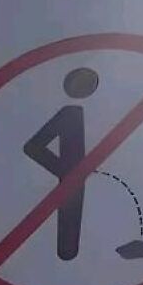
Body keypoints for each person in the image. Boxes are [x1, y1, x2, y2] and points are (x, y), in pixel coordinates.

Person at [23, 66, 99, 261]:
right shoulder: (69, 114)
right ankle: (67, 252)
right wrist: (69, 173)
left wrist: (73, 174)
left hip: (73, 177)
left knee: (72, 213)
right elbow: (32, 147)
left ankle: (68, 252)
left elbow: (32, 147)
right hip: (71, 174)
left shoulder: (76, 114)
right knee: (70, 212)